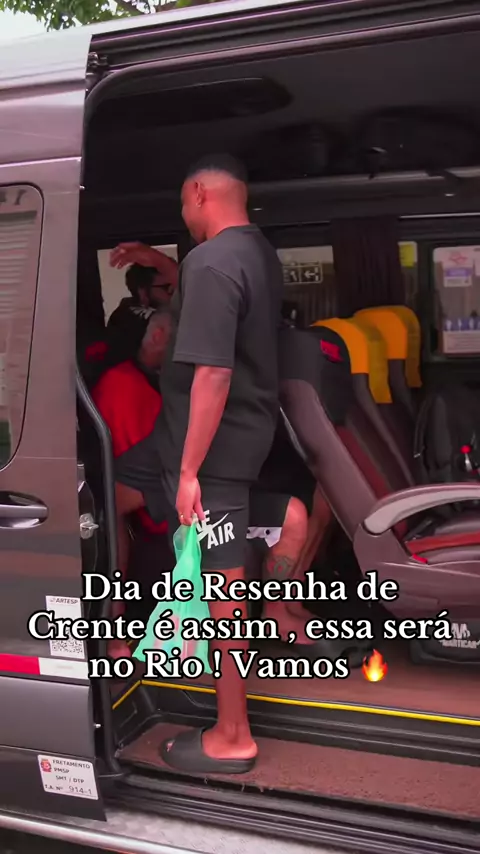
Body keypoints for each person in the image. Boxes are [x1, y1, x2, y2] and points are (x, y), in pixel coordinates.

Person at [155, 152, 307, 775]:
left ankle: (233, 735)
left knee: (223, 595)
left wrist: (188, 471)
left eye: (183, 204)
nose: (185, 216)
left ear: (198, 193)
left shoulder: (210, 260)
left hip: (212, 456)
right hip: (245, 440)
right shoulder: (257, 253)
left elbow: (213, 373)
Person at [91, 307, 173, 659]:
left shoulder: (156, 381)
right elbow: (125, 491)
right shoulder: (122, 386)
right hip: (150, 519)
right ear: (157, 337)